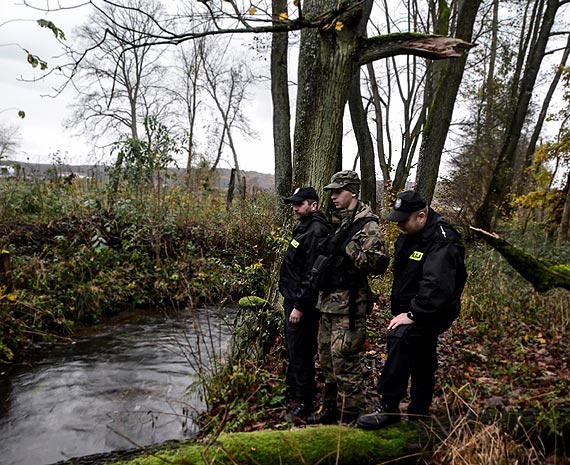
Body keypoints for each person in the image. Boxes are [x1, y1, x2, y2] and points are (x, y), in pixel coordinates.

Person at [357, 190, 468, 430]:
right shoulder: (410, 234)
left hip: (433, 310)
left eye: (403, 220)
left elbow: (437, 285)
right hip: (415, 307)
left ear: (421, 215)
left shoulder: (442, 240)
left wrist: (413, 314)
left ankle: (389, 406)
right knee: (423, 354)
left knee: (401, 337)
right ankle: (419, 410)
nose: (399, 225)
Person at [307, 170, 390, 424]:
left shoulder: (367, 224)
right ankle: (330, 409)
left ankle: (350, 415)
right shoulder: (337, 221)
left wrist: (349, 247)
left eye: (338, 191)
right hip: (328, 303)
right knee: (326, 360)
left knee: (345, 362)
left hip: (350, 306)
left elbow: (378, 263)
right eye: (331, 191)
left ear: (352, 192)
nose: (333, 196)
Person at [278, 186, 333, 423]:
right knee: (294, 350)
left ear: (314, 205)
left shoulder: (317, 231)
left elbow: (314, 274)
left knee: (301, 352)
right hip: (291, 299)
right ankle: (293, 392)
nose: (295, 207)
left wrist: (300, 306)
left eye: (299, 204)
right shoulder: (304, 227)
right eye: (294, 203)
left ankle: (305, 402)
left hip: (302, 305)